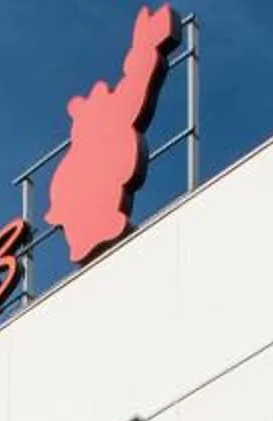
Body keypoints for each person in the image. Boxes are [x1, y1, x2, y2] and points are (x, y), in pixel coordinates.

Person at [46, 5, 178, 263]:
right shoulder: (93, 137)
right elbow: (135, 85)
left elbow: (136, 84)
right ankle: (91, 233)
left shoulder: (107, 120)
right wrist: (147, 44)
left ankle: (95, 230)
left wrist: (148, 45)